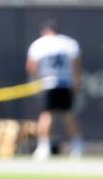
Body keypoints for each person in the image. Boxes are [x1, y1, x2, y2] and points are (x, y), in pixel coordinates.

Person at [26, 20, 83, 159]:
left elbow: (31, 66)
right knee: (68, 115)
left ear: (45, 31)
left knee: (47, 115)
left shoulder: (39, 44)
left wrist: (36, 80)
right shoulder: (69, 43)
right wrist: (76, 82)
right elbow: (76, 66)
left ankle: (43, 148)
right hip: (65, 83)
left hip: (48, 83)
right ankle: (77, 146)